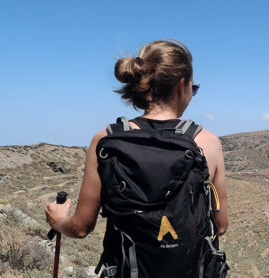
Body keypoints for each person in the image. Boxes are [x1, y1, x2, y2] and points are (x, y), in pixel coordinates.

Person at [45, 39, 228, 261]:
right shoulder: (207, 142)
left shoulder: (105, 140)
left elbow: (80, 228)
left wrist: (59, 220)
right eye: (194, 88)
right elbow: (220, 225)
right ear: (182, 85)